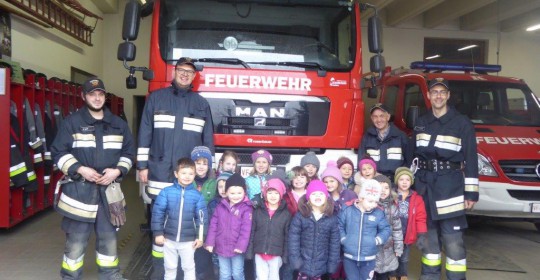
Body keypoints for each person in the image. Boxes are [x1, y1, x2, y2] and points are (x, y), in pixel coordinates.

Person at [51, 77, 136, 280]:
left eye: (100, 94)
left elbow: (129, 153)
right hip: (79, 193)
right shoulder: (72, 123)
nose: (97, 98)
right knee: (76, 241)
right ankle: (70, 277)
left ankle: (110, 275)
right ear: (83, 96)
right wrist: (80, 169)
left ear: (104, 97)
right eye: (92, 94)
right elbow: (58, 152)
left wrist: (117, 171)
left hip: (109, 193)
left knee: (108, 238)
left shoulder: (118, 124)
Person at [137, 57, 214, 278]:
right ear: (174, 72)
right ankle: (160, 271)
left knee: (186, 221)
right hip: (159, 171)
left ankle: (183, 272)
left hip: (188, 176)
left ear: (194, 76)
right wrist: (142, 166)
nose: (184, 74)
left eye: (189, 72)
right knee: (159, 220)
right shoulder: (156, 98)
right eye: (181, 70)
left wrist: (207, 172)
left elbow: (207, 141)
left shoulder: (200, 103)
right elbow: (145, 133)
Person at [412, 78, 479, 280]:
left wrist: (471, 194)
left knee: (453, 243)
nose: (438, 96)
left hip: (450, 190)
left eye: (442, 92)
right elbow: (413, 156)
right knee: (428, 242)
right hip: (424, 189)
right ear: (429, 96)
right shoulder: (421, 122)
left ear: (448, 96)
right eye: (434, 92)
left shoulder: (462, 123)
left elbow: (471, 159)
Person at [151, 158, 208, 280]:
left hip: (188, 241)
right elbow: (157, 213)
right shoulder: (166, 192)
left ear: (194, 175)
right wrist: (158, 233)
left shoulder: (197, 196)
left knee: (188, 267)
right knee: (170, 267)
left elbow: (201, 218)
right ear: (176, 174)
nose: (187, 176)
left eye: (191, 174)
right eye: (183, 173)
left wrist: (200, 237)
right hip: (168, 239)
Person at [338, 179, 391, 280]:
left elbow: (386, 229)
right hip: (349, 256)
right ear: (361, 198)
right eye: (370, 201)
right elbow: (339, 225)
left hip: (369, 258)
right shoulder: (347, 209)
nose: (373, 205)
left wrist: (377, 240)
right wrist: (343, 239)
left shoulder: (378, 213)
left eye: (376, 201)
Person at [288, 180, 341, 280]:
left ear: (326, 198)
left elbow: (334, 244)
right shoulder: (300, 216)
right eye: (314, 194)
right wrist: (295, 260)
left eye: (321, 194)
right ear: (308, 198)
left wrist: (332, 263)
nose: (318, 196)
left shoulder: (331, 218)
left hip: (322, 267)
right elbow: (293, 239)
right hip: (303, 265)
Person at [206, 173, 253, 280]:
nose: (236, 196)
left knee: (237, 273)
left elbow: (246, 230)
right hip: (221, 246)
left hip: (237, 249)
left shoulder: (246, 208)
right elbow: (213, 225)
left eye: (239, 193)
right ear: (226, 192)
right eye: (232, 193)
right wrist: (210, 242)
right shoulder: (220, 206)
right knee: (224, 274)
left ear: (244, 192)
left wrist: (241, 246)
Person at [247, 178, 292, 280]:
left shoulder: (286, 214)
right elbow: (252, 232)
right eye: (270, 192)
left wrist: (285, 256)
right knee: (261, 277)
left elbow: (287, 237)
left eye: (276, 193)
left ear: (281, 195)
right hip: (259, 252)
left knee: (274, 277)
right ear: (265, 194)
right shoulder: (258, 211)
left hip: (276, 254)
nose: (273, 196)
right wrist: (250, 251)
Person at [391, 167, 427, 280]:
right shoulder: (391, 196)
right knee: (392, 256)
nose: (405, 182)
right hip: (392, 235)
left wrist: (422, 234)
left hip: (407, 235)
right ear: (397, 181)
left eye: (407, 179)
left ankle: (403, 275)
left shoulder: (417, 199)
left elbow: (421, 218)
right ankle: (391, 275)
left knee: (404, 258)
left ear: (411, 181)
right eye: (401, 179)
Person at [359, 103, 410, 181]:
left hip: (396, 182)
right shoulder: (366, 137)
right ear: (371, 118)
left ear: (388, 117)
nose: (378, 120)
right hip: (373, 181)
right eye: (375, 117)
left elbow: (409, 162)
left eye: (382, 116)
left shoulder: (401, 136)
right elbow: (361, 162)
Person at [373, 175, 403, 280]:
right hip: (372, 247)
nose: (383, 190)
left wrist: (398, 247)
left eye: (386, 188)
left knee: (384, 274)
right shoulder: (369, 205)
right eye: (380, 187)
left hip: (387, 248)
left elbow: (397, 229)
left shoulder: (393, 207)